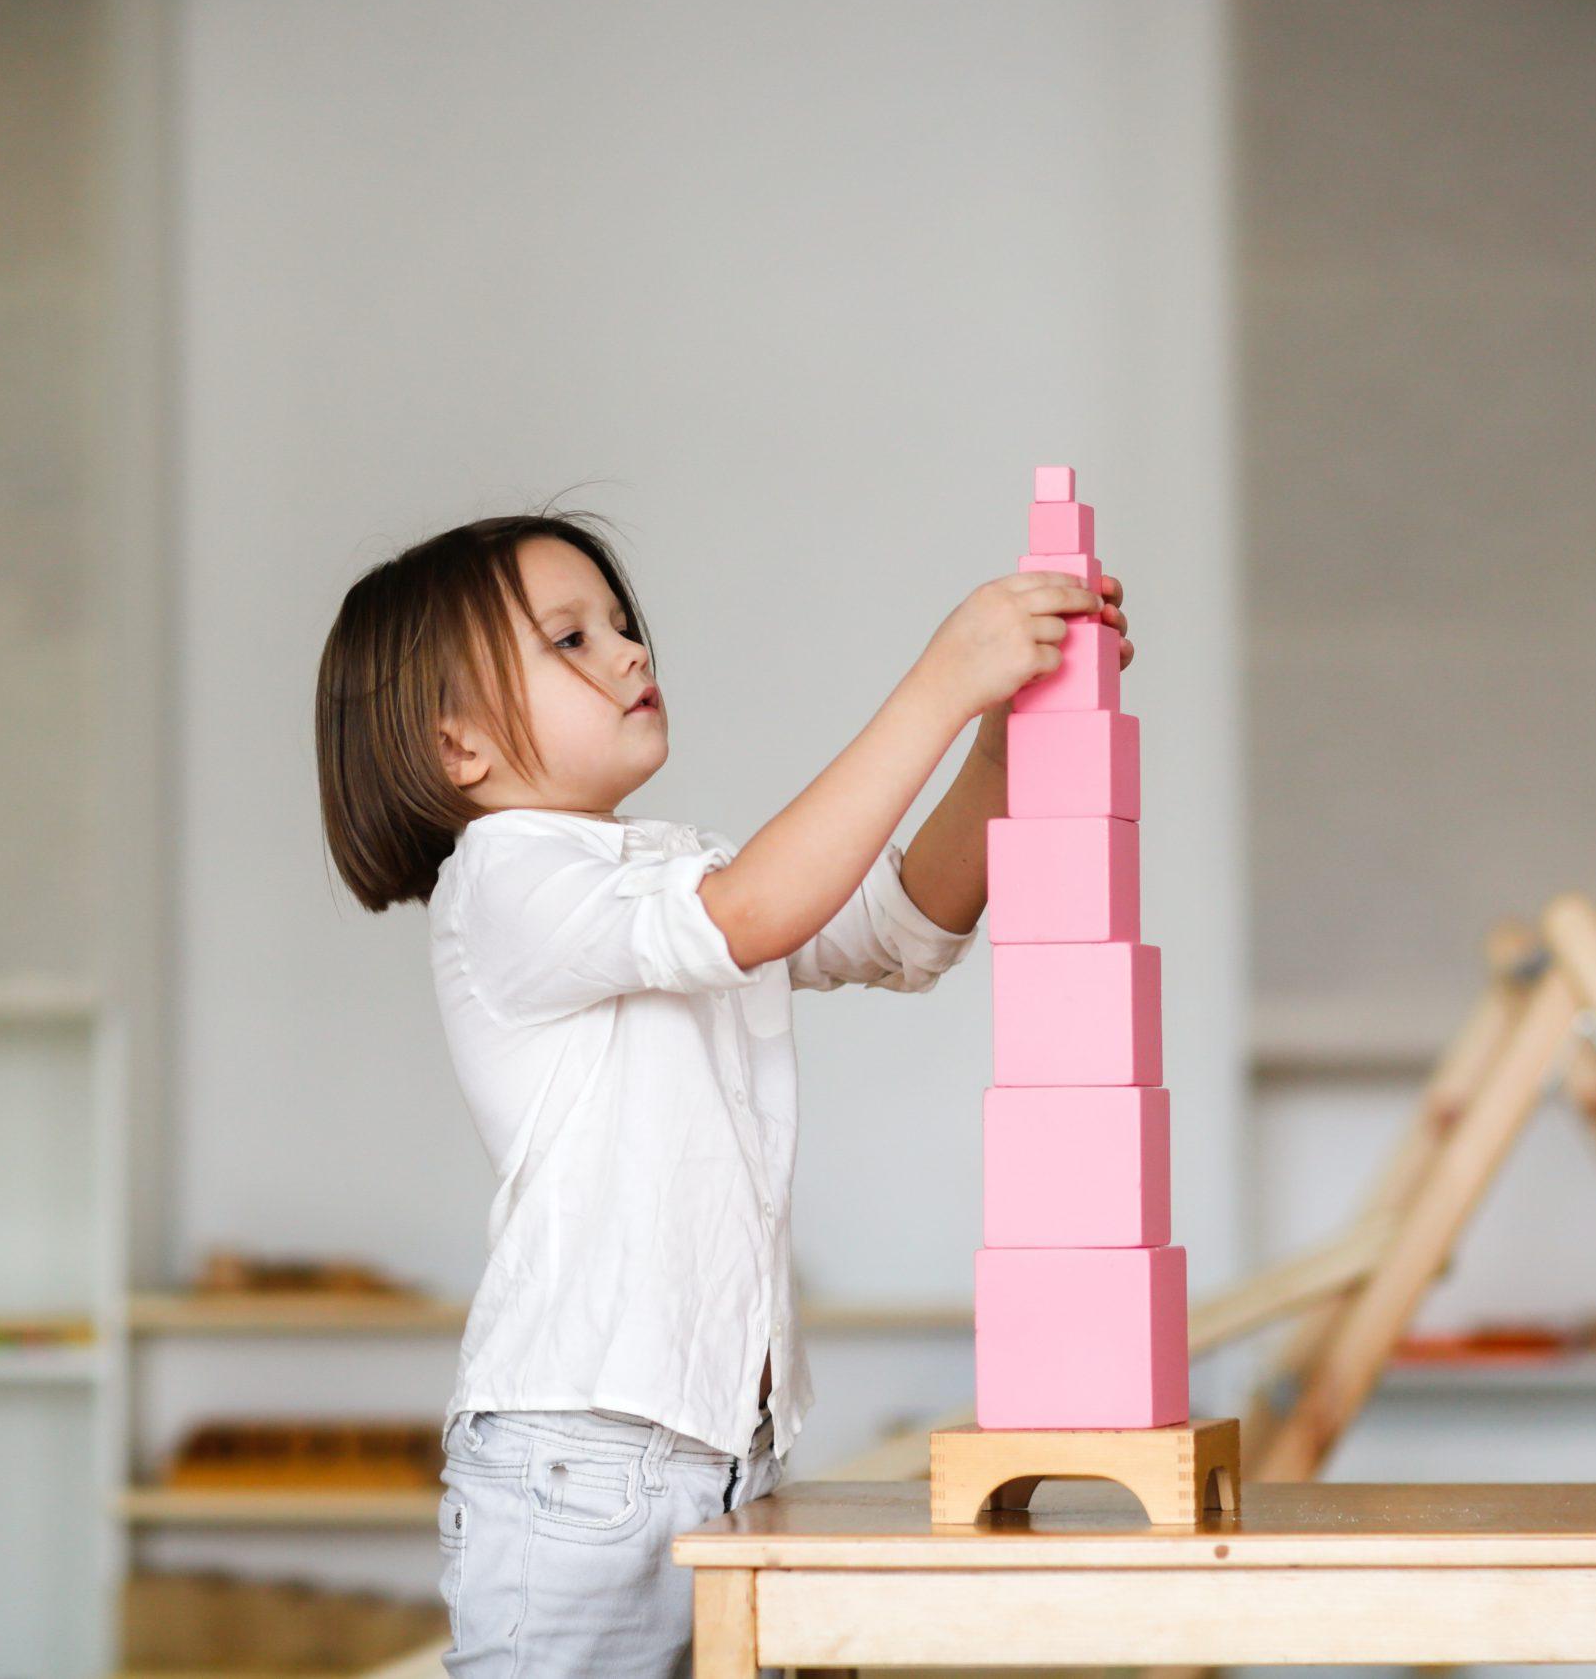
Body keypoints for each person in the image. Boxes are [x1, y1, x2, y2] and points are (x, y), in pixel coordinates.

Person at [311, 509, 1131, 1677]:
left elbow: (902, 927)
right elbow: (755, 912)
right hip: (578, 1461)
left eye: (621, 624)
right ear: (457, 753)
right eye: (571, 640)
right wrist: (938, 686)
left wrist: (999, 746)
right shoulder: (505, 880)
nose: (631, 652)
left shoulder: (657, 868)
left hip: (715, 1451)